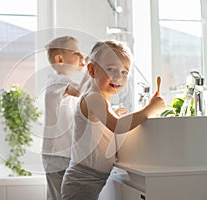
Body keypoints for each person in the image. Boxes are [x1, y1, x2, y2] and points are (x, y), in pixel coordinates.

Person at [61, 40, 165, 200]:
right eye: (111, 69)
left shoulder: (97, 98)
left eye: (124, 72)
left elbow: (100, 124)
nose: (118, 77)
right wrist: (150, 109)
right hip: (82, 182)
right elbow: (117, 126)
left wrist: (113, 113)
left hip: (86, 180)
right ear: (92, 70)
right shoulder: (94, 97)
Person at [42, 36, 87, 200]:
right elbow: (80, 90)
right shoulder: (57, 81)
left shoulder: (61, 82)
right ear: (60, 59)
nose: (82, 57)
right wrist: (91, 68)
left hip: (59, 153)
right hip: (57, 154)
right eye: (77, 53)